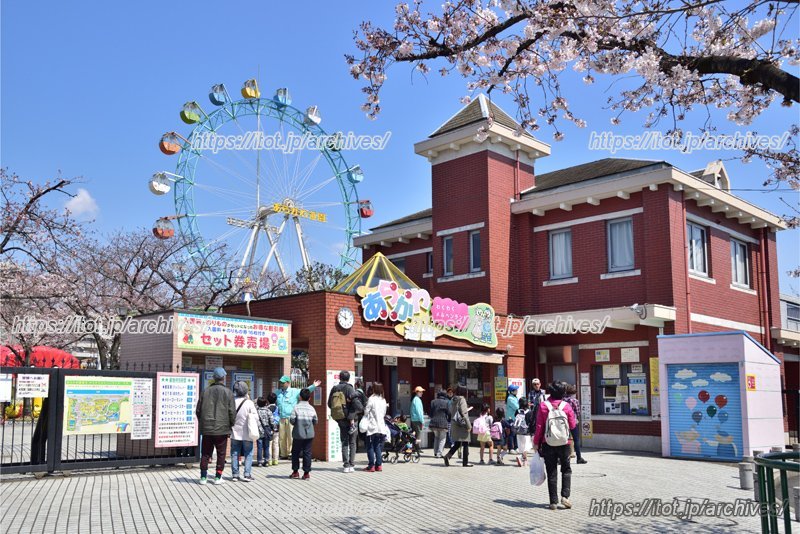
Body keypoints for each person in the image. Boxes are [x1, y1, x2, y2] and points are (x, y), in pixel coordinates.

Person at [534, 381, 578, 510]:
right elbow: (573, 425)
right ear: (562, 393)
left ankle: (553, 501)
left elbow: (539, 427)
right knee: (566, 469)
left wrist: (536, 442)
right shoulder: (566, 406)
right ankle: (565, 496)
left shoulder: (543, 406)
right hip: (565, 442)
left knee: (551, 470)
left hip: (547, 442)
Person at [196, 367, 236, 485]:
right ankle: (218, 477)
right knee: (221, 453)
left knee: (205, 453)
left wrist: (203, 423)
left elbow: (198, 410)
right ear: (224, 377)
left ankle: (203, 477)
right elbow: (232, 412)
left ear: (214, 377)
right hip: (222, 429)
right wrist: (231, 424)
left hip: (207, 428)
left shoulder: (205, 391)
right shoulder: (228, 392)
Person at [276, 375, 321, 459]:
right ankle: (283, 453)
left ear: (288, 383)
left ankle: (290, 453)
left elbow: (305, 391)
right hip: (281, 417)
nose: (281, 384)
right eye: (280, 382)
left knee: (290, 437)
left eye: (283, 382)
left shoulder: (294, 391)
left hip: (290, 417)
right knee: (282, 437)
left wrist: (313, 386)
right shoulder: (278, 392)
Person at [327, 370, 360, 473]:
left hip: (340, 418)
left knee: (344, 441)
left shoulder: (335, 388)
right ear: (348, 378)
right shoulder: (350, 388)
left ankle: (346, 465)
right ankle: (351, 465)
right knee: (352, 442)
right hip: (351, 419)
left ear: (339, 378)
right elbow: (356, 404)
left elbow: (329, 404)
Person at [230, 381, 257, 482]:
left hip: (234, 432)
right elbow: (256, 418)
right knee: (248, 453)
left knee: (234, 453)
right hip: (247, 433)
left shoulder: (232, 401)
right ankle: (247, 474)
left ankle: (235, 475)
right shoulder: (249, 403)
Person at [289, 388, 318, 480]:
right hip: (309, 434)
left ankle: (295, 472)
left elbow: (292, 420)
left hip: (298, 433)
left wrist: (298, 424)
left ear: (300, 397)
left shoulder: (296, 407)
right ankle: (306, 473)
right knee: (307, 453)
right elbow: (315, 421)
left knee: (295, 452)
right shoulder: (312, 408)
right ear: (309, 398)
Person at [443, 385, 473, 467]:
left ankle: (447, 456)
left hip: (455, 423)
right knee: (466, 442)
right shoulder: (462, 399)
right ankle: (465, 462)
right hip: (462, 425)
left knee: (457, 443)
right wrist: (468, 425)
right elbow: (463, 413)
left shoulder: (453, 399)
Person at [362, 382, 389, 472]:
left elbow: (366, 411)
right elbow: (384, 413)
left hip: (372, 426)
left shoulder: (371, 399)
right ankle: (379, 465)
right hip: (381, 426)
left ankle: (371, 466)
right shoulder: (383, 400)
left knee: (370, 446)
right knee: (377, 446)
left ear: (374, 389)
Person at [564, 384, 587, 464]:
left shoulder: (562, 400)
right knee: (576, 439)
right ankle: (579, 458)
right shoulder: (575, 401)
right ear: (573, 392)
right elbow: (578, 412)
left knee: (564, 439)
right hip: (573, 422)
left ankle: (562, 458)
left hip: (563, 422)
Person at [513, 398, 535, 467]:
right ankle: (522, 458)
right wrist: (532, 432)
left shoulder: (517, 411)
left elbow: (515, 417)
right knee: (526, 447)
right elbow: (531, 423)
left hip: (518, 431)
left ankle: (524, 460)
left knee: (521, 446)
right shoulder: (529, 412)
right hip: (526, 432)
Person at [429, 390, 450, 458]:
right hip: (443, 423)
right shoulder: (446, 402)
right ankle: (439, 453)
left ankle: (435, 452)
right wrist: (448, 420)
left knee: (436, 437)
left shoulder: (433, 402)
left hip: (434, 422)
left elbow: (431, 413)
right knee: (442, 438)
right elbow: (449, 413)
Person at [255, 396, 274, 467]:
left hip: (259, 430)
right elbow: (272, 421)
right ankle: (266, 461)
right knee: (266, 446)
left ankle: (259, 461)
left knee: (259, 447)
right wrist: (273, 428)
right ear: (266, 403)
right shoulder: (268, 411)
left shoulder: (256, 411)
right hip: (267, 431)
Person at [505, 384, 520, 453]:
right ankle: (511, 448)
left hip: (514, 417)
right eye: (515, 390)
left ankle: (516, 447)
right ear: (511, 391)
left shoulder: (514, 397)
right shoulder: (510, 398)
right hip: (511, 417)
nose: (517, 391)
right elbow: (516, 407)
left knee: (515, 433)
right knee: (512, 433)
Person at [266, 392, 279, 466]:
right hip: (276, 427)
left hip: (269, 428)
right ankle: (276, 460)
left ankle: (269, 460)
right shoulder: (277, 408)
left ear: (268, 400)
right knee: (276, 444)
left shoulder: (267, 408)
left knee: (269, 444)